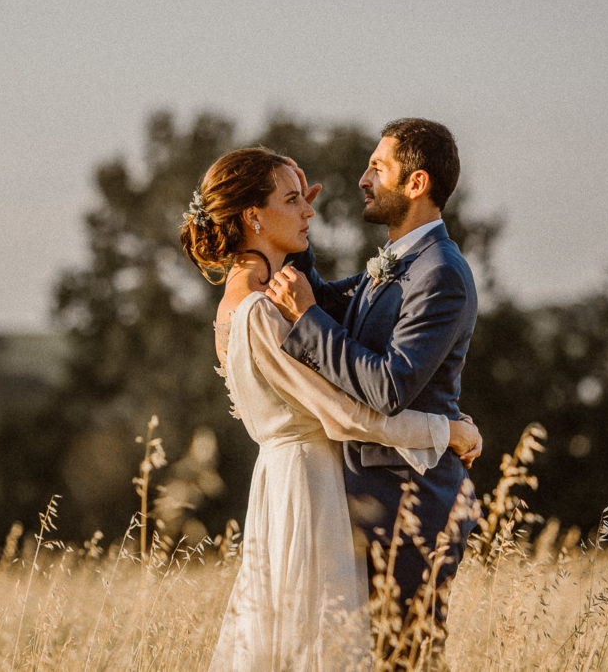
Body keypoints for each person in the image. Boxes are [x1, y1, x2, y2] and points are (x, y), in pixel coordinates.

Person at [180, 147, 482, 670]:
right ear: (253, 215)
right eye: (293, 200)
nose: (309, 211)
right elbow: (347, 414)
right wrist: (446, 430)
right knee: (316, 649)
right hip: (307, 492)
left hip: (297, 484)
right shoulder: (257, 313)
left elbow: (315, 303)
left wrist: (291, 236)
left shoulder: (253, 299)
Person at [266, 118, 479, 660]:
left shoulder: (440, 273)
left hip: (411, 505)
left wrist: (308, 318)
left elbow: (389, 386)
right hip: (369, 499)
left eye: (377, 168)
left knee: (405, 659)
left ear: (416, 184)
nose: (363, 179)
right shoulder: (397, 263)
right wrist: (293, 226)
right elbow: (324, 302)